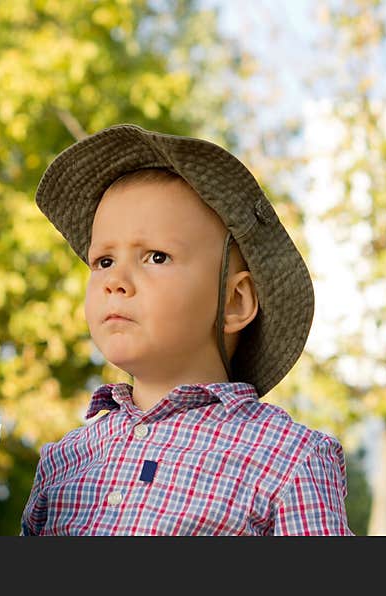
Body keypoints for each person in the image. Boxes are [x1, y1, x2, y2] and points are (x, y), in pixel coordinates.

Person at [20, 123, 353, 535]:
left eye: (156, 257)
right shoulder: (63, 461)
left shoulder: (288, 459)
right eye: (103, 261)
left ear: (235, 302)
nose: (114, 280)